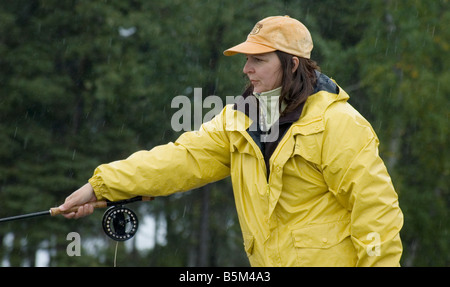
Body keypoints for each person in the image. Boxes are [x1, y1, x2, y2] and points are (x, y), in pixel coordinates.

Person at [59, 15, 403, 266]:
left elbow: (376, 212)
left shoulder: (339, 123)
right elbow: (181, 159)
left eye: (258, 59)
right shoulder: (238, 121)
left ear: (293, 64)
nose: (246, 69)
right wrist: (101, 186)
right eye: (245, 59)